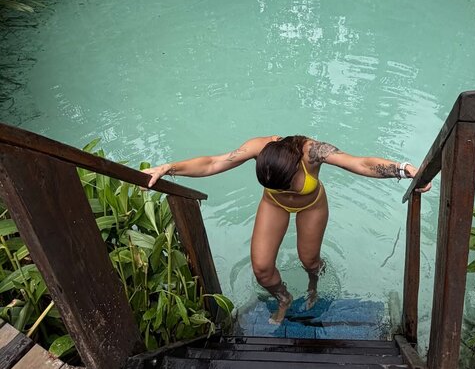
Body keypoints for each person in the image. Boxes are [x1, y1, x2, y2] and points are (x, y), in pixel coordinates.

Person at [144, 135, 431, 325]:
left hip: (312, 205)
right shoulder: (260, 148)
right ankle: (284, 298)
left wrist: (403, 169)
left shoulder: (313, 152)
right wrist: (168, 167)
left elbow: (360, 163)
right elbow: (213, 163)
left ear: (297, 166)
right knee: (262, 268)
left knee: (310, 260)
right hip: (274, 206)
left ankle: (313, 286)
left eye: (288, 183)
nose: (286, 188)